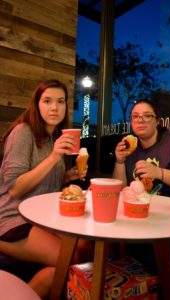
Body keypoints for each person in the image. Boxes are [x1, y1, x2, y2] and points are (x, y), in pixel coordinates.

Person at [0, 79, 89, 298]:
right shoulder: (23, 132)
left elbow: (44, 186)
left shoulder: (52, 139)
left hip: (39, 217)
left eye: (61, 101)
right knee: (71, 258)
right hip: (12, 218)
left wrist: (67, 177)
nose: (54, 107)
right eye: (47, 101)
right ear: (36, 104)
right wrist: (54, 157)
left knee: (81, 248)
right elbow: (15, 188)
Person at [112, 98, 170, 295]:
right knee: (115, 248)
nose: (141, 120)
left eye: (147, 116)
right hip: (145, 216)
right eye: (135, 117)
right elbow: (120, 190)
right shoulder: (131, 149)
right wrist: (119, 161)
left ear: (157, 121)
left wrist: (159, 173)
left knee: (162, 256)